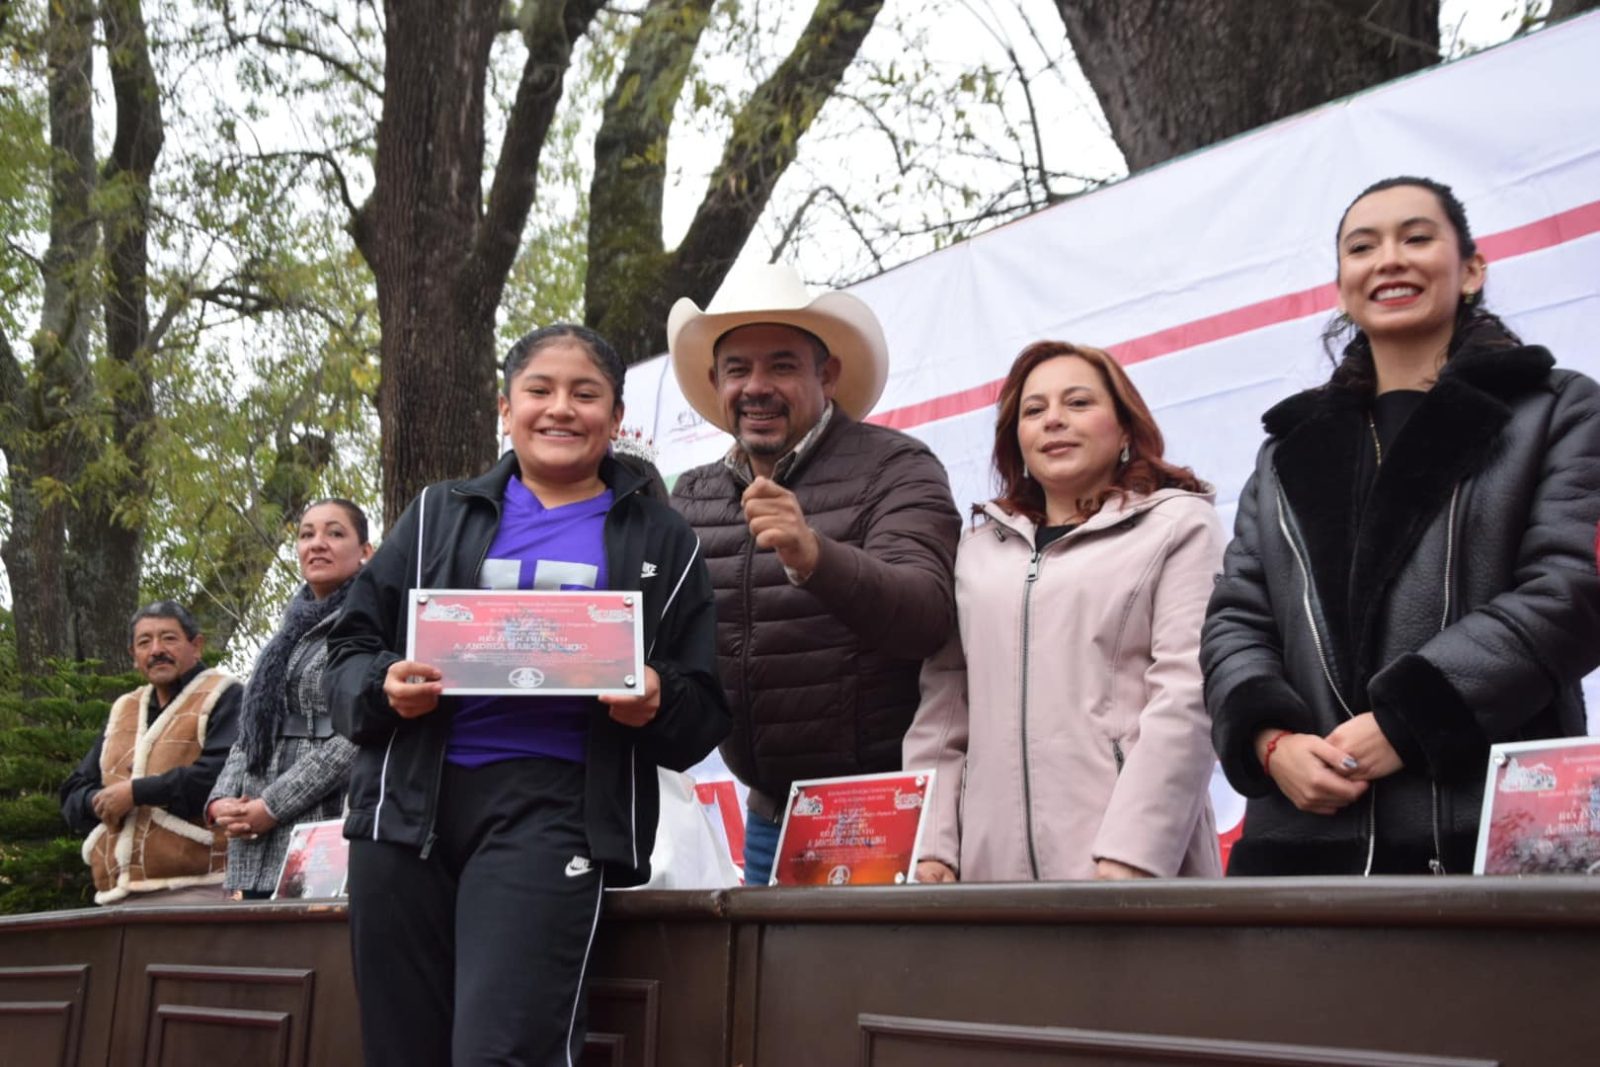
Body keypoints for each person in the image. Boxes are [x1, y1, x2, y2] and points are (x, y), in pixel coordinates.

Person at [324, 324, 729, 1066]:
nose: (561, 408)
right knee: (400, 1049)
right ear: (505, 408)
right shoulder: (434, 514)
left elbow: (702, 707)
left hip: (557, 808)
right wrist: (384, 687)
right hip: (407, 810)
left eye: (586, 393)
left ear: (616, 418)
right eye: (539, 390)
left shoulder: (662, 537)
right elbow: (347, 654)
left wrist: (657, 699)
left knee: (501, 1050)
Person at [1202, 176, 1600, 875]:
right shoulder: (1286, 451)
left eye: (1416, 237)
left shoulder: (1557, 409)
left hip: (1489, 840)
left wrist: (1411, 717)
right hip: (1300, 850)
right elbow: (1236, 617)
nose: (1389, 259)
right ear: (1341, 286)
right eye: (1363, 246)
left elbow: (1571, 588)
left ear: (1472, 269)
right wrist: (1268, 739)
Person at [667, 263, 961, 886]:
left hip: (876, 811)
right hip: (768, 813)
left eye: (782, 365)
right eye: (738, 370)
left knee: (861, 985)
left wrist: (813, 557)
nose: (757, 387)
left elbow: (928, 615)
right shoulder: (692, 496)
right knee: (772, 986)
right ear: (716, 381)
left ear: (826, 374)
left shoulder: (895, 467)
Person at [905, 341, 1223, 883]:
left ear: (1125, 428)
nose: (1054, 420)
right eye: (1034, 410)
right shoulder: (976, 551)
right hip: (990, 882)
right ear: (1016, 439)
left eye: (1078, 403)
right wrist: (932, 845)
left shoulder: (1180, 526)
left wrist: (1135, 852)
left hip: (1132, 872)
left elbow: (1187, 693)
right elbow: (945, 708)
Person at [205, 499, 372, 899]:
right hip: (253, 832)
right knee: (259, 954)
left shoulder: (372, 621)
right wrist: (222, 802)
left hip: (326, 821)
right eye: (306, 534)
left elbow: (359, 733)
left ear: (366, 552)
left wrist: (273, 806)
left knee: (312, 949)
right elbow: (252, 730)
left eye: (335, 533)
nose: (317, 544)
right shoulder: (284, 635)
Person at [60, 602, 242, 905]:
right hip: (116, 891)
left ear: (196, 646)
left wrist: (136, 792)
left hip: (195, 886)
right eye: (144, 642)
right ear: (134, 656)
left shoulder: (225, 695)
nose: (156, 649)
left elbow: (221, 776)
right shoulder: (124, 709)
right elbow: (73, 791)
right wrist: (100, 802)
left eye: (168, 638)